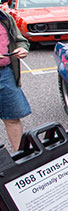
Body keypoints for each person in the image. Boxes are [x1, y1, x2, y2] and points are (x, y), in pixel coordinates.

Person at [0, 10, 30, 152]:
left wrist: (22, 49)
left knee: (12, 117)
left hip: (6, 74)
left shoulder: (5, 18)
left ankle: (20, 155)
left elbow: (20, 40)